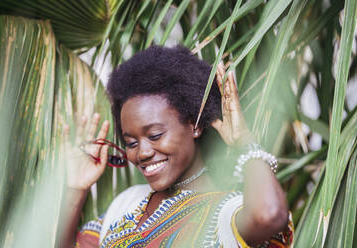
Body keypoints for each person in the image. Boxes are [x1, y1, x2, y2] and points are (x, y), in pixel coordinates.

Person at [59, 45, 293, 247]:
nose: (143, 152)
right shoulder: (126, 205)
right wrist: (75, 189)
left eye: (155, 135)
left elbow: (269, 215)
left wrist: (245, 142)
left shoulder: (224, 214)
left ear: (195, 125)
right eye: (131, 142)